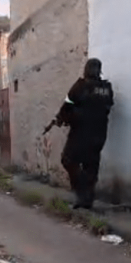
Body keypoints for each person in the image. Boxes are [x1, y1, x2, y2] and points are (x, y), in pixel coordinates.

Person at [55, 58, 114, 209]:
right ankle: (87, 199)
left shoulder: (80, 86)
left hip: (81, 132)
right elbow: (107, 108)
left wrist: (62, 118)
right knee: (91, 165)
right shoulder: (106, 88)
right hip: (99, 133)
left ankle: (82, 193)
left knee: (68, 160)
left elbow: (67, 105)